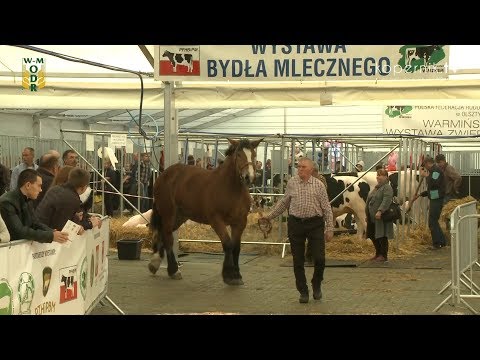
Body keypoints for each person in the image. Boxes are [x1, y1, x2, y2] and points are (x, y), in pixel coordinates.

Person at [260, 157, 334, 303]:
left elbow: (326, 208)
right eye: (298, 166)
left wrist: (330, 228)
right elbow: (284, 202)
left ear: (311, 169)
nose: (299, 169)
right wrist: (269, 216)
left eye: (303, 167)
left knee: (319, 258)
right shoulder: (292, 183)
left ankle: (316, 283)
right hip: (296, 224)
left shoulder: (319, 185)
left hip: (315, 224)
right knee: (297, 260)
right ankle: (303, 291)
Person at [0, 169, 69, 243]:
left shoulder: (28, 199)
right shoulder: (7, 202)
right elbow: (19, 231)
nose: (41, 190)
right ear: (28, 185)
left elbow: (35, 223)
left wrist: (51, 232)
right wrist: (50, 236)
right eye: (39, 186)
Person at [35, 167, 92, 232]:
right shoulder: (72, 198)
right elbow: (63, 227)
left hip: (39, 229)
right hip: (46, 236)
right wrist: (87, 225)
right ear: (84, 186)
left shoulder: (55, 189)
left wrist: (75, 217)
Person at [412, 156, 447, 249]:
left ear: (427, 163)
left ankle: (437, 243)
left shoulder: (436, 171)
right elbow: (431, 189)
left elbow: (433, 183)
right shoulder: (434, 171)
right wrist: (420, 194)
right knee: (434, 220)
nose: (425, 168)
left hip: (437, 199)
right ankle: (442, 241)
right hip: (435, 197)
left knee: (432, 221)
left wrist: (426, 177)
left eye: (425, 166)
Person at [365, 169, 395, 262]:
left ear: (386, 177)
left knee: (382, 235)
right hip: (372, 217)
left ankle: (383, 255)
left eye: (381, 175)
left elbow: (387, 200)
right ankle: (378, 254)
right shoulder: (377, 187)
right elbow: (370, 200)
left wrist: (380, 211)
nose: (378, 177)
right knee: (373, 235)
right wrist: (367, 214)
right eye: (377, 175)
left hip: (380, 216)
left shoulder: (387, 187)